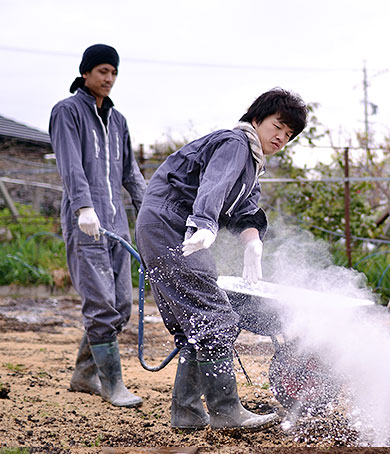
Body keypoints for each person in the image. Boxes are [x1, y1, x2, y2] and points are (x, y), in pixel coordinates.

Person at [135, 88, 307, 433]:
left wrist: (252, 243)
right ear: (256, 119)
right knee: (216, 317)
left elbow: (245, 211)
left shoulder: (251, 165)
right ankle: (226, 411)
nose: (281, 138)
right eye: (278, 126)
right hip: (172, 224)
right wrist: (204, 223)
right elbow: (213, 186)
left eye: (289, 135)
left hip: (172, 226)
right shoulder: (235, 144)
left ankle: (187, 413)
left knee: (197, 326)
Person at [49, 44, 147, 407]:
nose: (109, 78)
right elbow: (71, 164)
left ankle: (84, 373)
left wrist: (149, 209)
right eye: (103, 71)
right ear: (86, 72)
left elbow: (130, 173)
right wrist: (84, 207)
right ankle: (112, 385)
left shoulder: (118, 120)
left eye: (114, 73)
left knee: (121, 305)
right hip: (85, 223)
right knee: (101, 304)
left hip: (116, 225)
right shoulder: (67, 112)